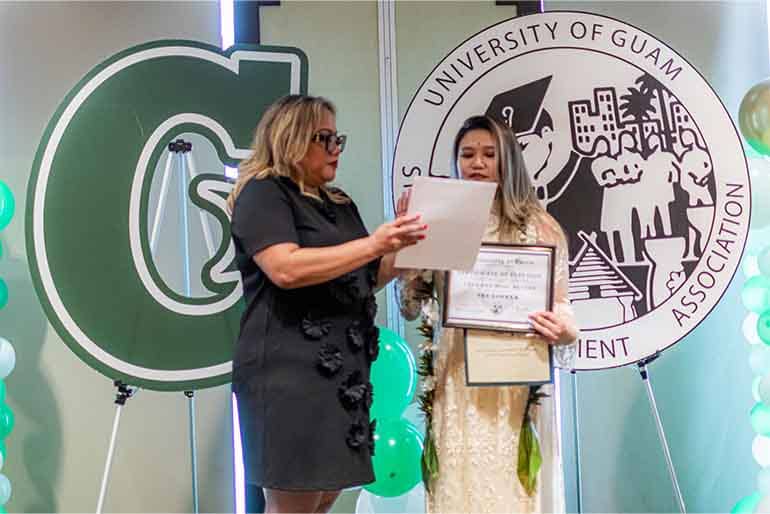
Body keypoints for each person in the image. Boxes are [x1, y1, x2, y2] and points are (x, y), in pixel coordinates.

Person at [227, 94, 427, 514]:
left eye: (339, 139)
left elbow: (364, 278)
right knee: (293, 504)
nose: (336, 149)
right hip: (289, 377)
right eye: (326, 138)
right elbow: (285, 268)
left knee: (322, 502)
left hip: (342, 377)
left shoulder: (338, 203)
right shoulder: (263, 194)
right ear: (292, 138)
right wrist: (374, 243)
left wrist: (403, 245)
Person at [398, 115, 578, 513]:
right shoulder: (439, 222)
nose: (476, 163)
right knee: (458, 484)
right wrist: (408, 251)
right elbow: (410, 306)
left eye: (488, 154)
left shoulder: (540, 227)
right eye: (467, 154)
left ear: (508, 160)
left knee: (513, 488)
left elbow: (563, 308)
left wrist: (563, 330)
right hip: (457, 377)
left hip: (516, 382)